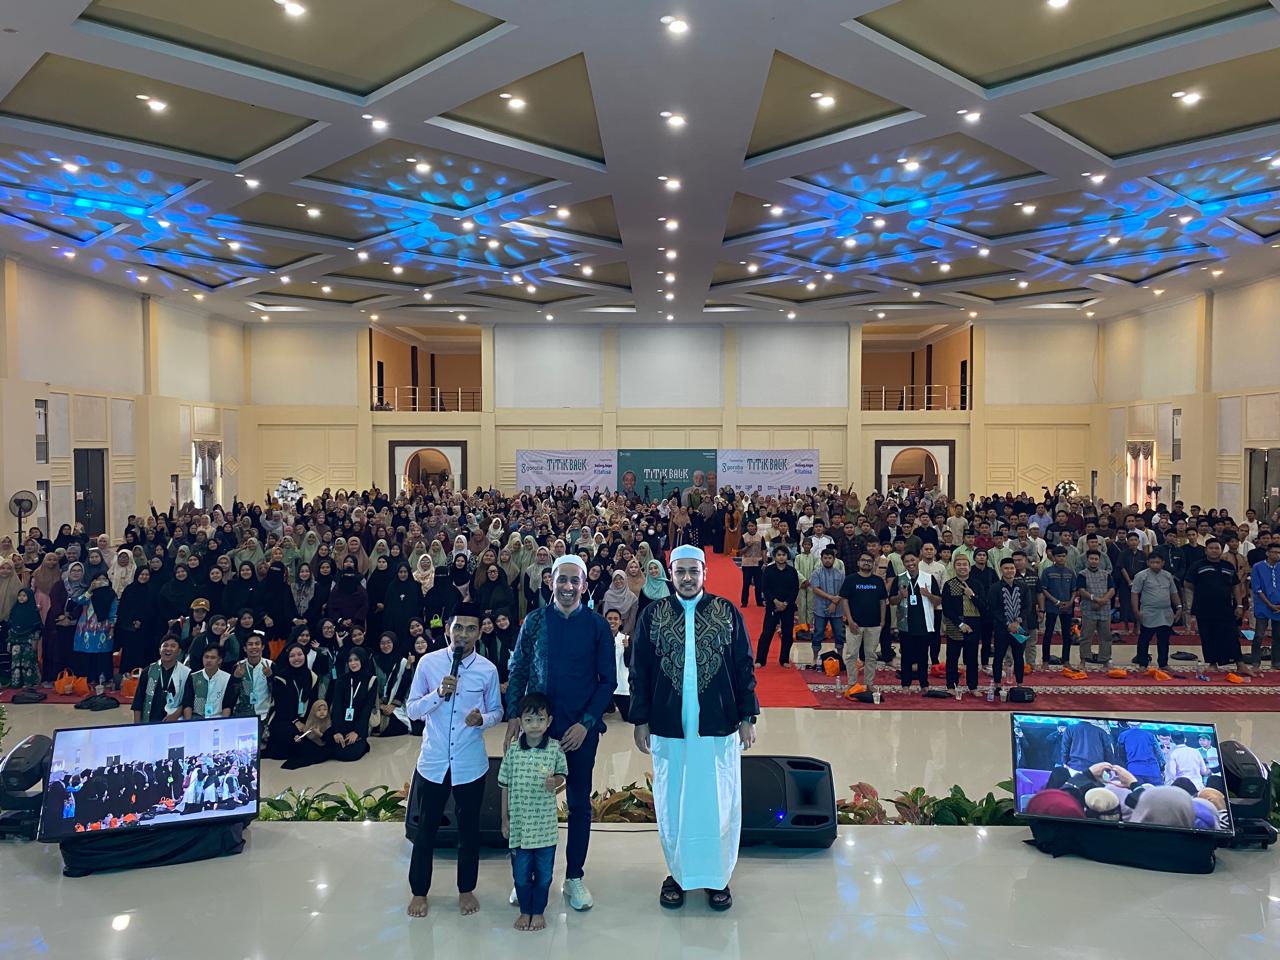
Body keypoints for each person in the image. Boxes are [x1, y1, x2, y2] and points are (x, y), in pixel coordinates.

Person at [630, 544, 758, 912]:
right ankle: (678, 874)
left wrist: (747, 716)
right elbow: (640, 670)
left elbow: (744, 666)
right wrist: (640, 719)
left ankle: (718, 877)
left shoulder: (726, 612)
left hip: (718, 724)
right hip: (669, 725)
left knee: (718, 800)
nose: (687, 578)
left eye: (693, 571)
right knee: (674, 801)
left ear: (705, 573)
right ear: (670, 574)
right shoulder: (653, 615)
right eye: (680, 571)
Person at [504, 555, 615, 912]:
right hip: (538, 730)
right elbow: (519, 668)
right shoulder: (535, 621)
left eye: (574, 580)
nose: (567, 587)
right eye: (561, 580)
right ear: (550, 582)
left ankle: (574, 877)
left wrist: (586, 723)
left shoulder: (597, 626)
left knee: (579, 803)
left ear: (584, 585)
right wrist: (514, 715)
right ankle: (526, 876)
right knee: (530, 802)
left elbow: (607, 682)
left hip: (579, 731)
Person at [406, 602, 502, 919]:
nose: (463, 634)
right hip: (433, 761)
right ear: (448, 628)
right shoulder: (429, 663)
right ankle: (419, 891)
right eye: (458, 627)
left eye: (471, 628)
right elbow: (412, 710)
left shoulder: (487, 670)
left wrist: (482, 720)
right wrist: (437, 694)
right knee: (426, 830)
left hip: (469, 763)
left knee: (469, 830)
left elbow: (497, 711)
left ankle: (466, 889)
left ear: (479, 633)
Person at [500, 692, 568, 933]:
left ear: (549, 721)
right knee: (520, 875)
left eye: (540, 719)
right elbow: (504, 786)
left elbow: (562, 776)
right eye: (528, 720)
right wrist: (504, 819)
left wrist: (555, 782)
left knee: (544, 875)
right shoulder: (513, 752)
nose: (535, 725)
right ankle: (524, 911)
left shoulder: (555, 748)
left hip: (545, 829)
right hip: (519, 828)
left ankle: (537, 911)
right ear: (520, 722)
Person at [1188, 538, 1248, 677]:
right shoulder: (1198, 565)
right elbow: (1188, 583)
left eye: (1217, 548)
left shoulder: (1228, 566)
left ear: (1221, 550)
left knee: (1231, 634)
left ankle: (1240, 664)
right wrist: (1204, 592)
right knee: (1208, 635)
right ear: (1206, 550)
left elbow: (1235, 586)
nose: (1214, 551)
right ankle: (1212, 663)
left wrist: (1239, 605)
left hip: (1225, 607)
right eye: (1211, 548)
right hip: (1204, 607)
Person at [839, 552, 887, 697]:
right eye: (863, 560)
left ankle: (869, 683)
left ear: (873, 564)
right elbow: (844, 600)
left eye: (869, 561)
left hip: (874, 624)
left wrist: (882, 620)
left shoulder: (878, 581)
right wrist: (850, 620)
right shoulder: (850, 580)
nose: (866, 563)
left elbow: (882, 601)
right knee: (852, 655)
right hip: (854, 624)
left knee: (871, 655)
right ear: (858, 563)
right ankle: (852, 683)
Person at [264, 642, 320, 759]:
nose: (296, 658)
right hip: (284, 718)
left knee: (312, 740)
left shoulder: (312, 676)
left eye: (300, 654)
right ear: (287, 658)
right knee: (292, 738)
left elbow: (313, 702)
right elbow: (280, 705)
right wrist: (296, 721)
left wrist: (310, 722)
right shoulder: (281, 676)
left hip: (304, 718)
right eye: (292, 656)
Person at [940, 555, 985, 698]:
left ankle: (973, 686)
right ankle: (951, 686)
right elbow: (947, 609)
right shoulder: (949, 585)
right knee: (952, 658)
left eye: (964, 564)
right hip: (955, 625)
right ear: (954, 567)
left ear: (969, 567)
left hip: (974, 625)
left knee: (972, 658)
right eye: (958, 564)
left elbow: (983, 606)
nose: (962, 567)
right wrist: (960, 624)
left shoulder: (977, 584)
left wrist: (971, 595)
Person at [1131, 553, 1182, 673]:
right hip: (1149, 612)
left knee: (1164, 640)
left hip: (1165, 612)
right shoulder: (1141, 576)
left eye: (1158, 562)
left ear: (1163, 563)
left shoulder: (1168, 576)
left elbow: (1173, 592)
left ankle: (1163, 664)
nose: (1155, 565)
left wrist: (1179, 607)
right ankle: (1142, 663)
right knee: (1144, 639)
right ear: (1148, 563)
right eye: (1152, 562)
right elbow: (1135, 593)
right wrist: (1136, 610)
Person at [895, 553, 938, 693]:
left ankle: (924, 684)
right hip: (906, 624)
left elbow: (938, 601)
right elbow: (891, 601)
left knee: (923, 656)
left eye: (912, 560)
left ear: (918, 560)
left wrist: (928, 594)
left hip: (924, 624)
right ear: (903, 563)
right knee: (906, 656)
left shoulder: (929, 578)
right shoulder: (900, 578)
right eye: (907, 561)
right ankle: (905, 684)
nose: (910, 563)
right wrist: (901, 596)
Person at [987, 558, 1028, 698]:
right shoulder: (994, 588)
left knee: (1019, 656)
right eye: (1006, 568)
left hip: (1020, 628)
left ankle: (1020, 684)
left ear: (1015, 569)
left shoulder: (1023, 586)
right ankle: (997, 684)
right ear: (1001, 570)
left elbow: (1027, 606)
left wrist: (1017, 622)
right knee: (998, 656)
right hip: (1001, 628)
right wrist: (1007, 624)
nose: (1009, 571)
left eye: (1012, 568)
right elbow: (993, 609)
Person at [328, 647, 377, 761]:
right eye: (350, 660)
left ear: (363, 660)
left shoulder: (371, 680)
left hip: (359, 727)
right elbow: (337, 707)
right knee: (334, 749)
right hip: (342, 725)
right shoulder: (341, 680)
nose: (353, 663)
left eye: (356, 659)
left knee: (350, 754)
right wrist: (337, 731)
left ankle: (363, 743)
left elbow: (366, 709)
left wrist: (357, 732)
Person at [130, 636, 190, 723]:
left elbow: (187, 701)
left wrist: (175, 715)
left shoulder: (186, 673)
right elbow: (138, 701)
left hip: (174, 722)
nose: (168, 649)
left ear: (179, 651)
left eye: (173, 646)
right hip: (150, 721)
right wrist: (137, 726)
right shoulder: (148, 671)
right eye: (165, 645)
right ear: (159, 650)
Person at [757, 546, 798, 667]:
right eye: (779, 555)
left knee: (787, 633)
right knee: (767, 633)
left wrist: (785, 603)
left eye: (783, 555)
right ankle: (760, 660)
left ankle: (784, 660)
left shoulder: (792, 571)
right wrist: (775, 601)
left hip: (788, 607)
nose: (781, 557)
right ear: (774, 557)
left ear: (787, 556)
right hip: (772, 606)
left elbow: (794, 589)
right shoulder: (769, 570)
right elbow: (765, 588)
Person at [1075, 549, 1116, 667]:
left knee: (1106, 636)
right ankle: (1084, 659)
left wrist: (1103, 601)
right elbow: (1081, 591)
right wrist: (1096, 599)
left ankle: (1105, 659)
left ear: (1099, 560)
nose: (1094, 561)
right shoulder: (1082, 574)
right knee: (1086, 636)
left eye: (1096, 559)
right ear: (1087, 560)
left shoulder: (1106, 574)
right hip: (1089, 609)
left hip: (1104, 609)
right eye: (1091, 559)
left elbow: (1112, 590)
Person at [808, 547, 846, 668]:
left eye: (830, 558)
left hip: (837, 609)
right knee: (818, 633)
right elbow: (815, 589)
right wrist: (831, 598)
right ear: (821, 559)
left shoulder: (840, 574)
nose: (827, 560)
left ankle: (840, 657)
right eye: (825, 558)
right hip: (820, 609)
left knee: (839, 634)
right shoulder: (816, 573)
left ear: (834, 559)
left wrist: (834, 603)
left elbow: (843, 590)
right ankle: (814, 658)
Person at [181, 645, 240, 719]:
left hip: (218, 717)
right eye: (206, 657)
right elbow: (188, 704)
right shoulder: (193, 677)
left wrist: (223, 722)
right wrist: (189, 723)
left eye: (213, 657)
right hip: (197, 717)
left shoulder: (227, 678)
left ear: (220, 660)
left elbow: (227, 706)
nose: (208, 660)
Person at [1250, 541, 1280, 673]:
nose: (1277, 555)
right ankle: (1255, 662)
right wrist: (1269, 604)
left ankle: (1276, 662)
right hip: (1263, 605)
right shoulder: (1258, 567)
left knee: (1278, 635)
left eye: (1279, 553)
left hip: (1278, 606)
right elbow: (1257, 589)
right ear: (1267, 553)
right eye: (1275, 552)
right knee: (1259, 635)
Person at [232, 635, 273, 724]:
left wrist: (270, 677)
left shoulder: (270, 665)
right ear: (245, 648)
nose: (254, 647)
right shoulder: (238, 666)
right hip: (242, 714)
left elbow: (277, 692)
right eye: (250, 644)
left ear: (262, 647)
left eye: (257, 644)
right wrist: (236, 679)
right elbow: (232, 693)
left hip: (264, 714)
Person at [605, 608, 631, 720]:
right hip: (603, 685)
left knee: (628, 717)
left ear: (620, 622)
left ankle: (611, 705)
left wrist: (627, 648)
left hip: (621, 685)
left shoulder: (627, 639)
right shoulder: (600, 638)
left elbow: (629, 663)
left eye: (616, 619)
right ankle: (609, 705)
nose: (613, 621)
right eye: (609, 619)